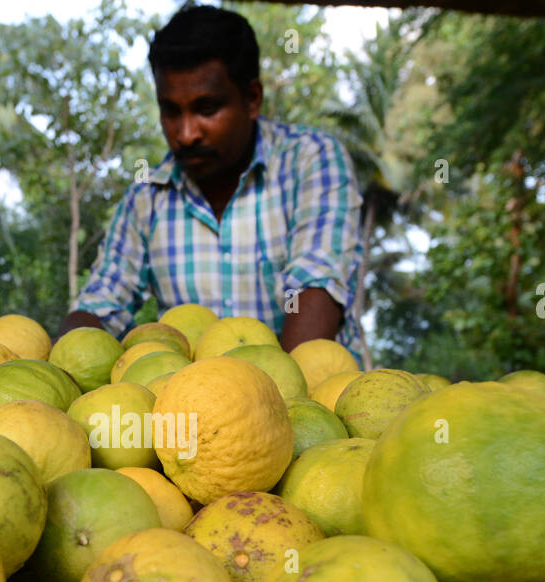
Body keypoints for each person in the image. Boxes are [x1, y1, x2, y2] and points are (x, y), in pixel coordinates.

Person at [58, 2, 365, 356]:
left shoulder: (311, 160)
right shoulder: (147, 199)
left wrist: (282, 399)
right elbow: (100, 304)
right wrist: (58, 363)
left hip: (317, 401)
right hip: (197, 408)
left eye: (206, 109)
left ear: (252, 99)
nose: (187, 133)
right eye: (171, 111)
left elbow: (316, 287)